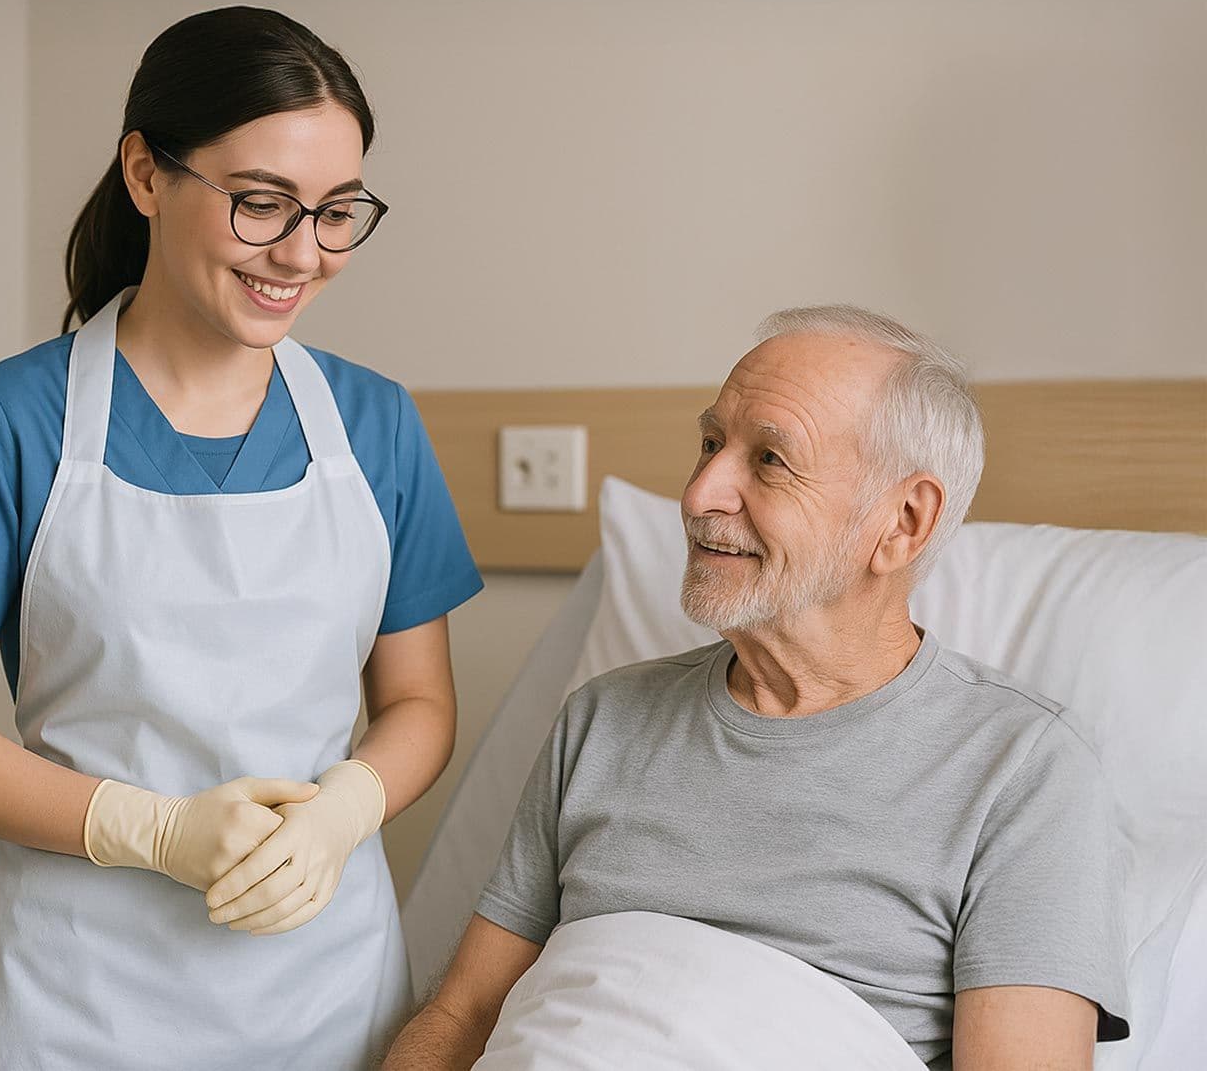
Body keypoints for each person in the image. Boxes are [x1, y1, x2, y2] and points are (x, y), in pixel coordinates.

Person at [0, 5, 482, 1070]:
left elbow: (419, 704)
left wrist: (345, 810)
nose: (302, 254)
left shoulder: (375, 427)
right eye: (260, 205)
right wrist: (152, 832)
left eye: (336, 213)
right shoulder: (8, 421)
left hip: (325, 984)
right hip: (81, 996)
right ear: (146, 175)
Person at [384, 306, 1127, 1071]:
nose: (702, 491)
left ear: (904, 522)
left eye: (770, 459)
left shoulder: (1023, 771)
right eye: (710, 443)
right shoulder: (602, 720)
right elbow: (464, 1011)